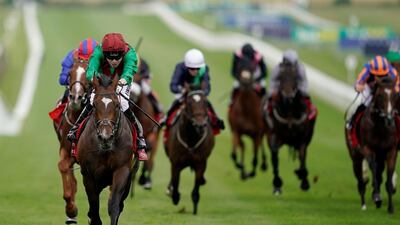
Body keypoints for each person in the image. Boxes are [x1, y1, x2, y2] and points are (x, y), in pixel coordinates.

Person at [67, 32, 148, 161]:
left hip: (122, 80)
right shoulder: (98, 52)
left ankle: (140, 141)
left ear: (123, 53)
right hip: (102, 79)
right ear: (104, 53)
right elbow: (90, 71)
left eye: (117, 58)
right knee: (93, 99)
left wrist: (123, 79)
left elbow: (129, 70)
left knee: (123, 103)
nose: (114, 61)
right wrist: (98, 79)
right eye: (110, 57)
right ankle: (75, 130)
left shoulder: (130, 54)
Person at [161, 48, 224, 130]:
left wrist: (202, 93)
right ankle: (165, 119)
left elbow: (207, 87)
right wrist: (182, 90)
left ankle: (217, 120)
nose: (195, 71)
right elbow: (173, 86)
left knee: (208, 104)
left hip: (198, 93)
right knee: (175, 104)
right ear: (186, 66)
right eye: (192, 68)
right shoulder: (180, 67)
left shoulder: (204, 69)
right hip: (184, 93)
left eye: (198, 68)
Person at [346, 55, 399, 130]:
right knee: (365, 102)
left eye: (383, 75)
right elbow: (359, 81)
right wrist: (358, 87)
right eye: (377, 75)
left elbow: (397, 83)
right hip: (370, 88)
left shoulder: (392, 71)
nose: (380, 77)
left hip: (385, 88)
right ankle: (352, 121)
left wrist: (396, 91)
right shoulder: (367, 69)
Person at [58, 38, 98, 103]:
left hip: (94, 92)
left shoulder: (102, 59)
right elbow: (62, 80)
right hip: (74, 90)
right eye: (82, 59)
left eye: (88, 60)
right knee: (63, 101)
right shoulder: (71, 56)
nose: (84, 62)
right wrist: (77, 81)